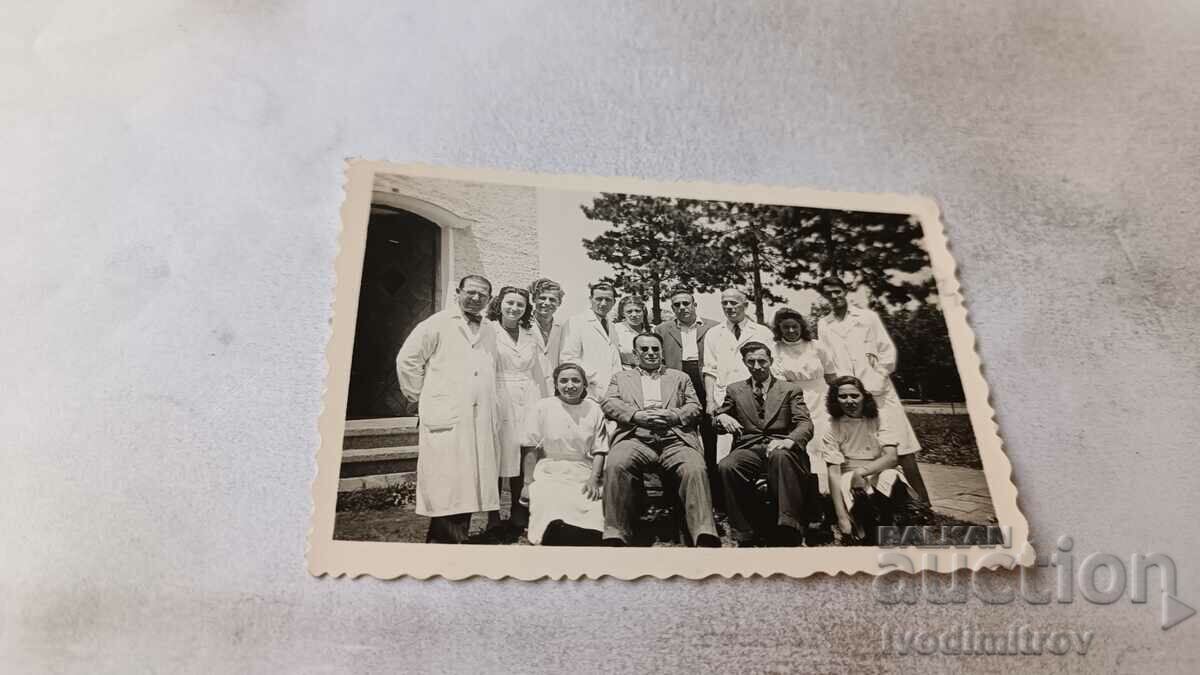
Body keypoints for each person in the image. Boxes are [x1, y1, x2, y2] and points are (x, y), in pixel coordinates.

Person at [395, 274, 500, 544]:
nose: (476, 298)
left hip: (477, 416)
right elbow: (407, 360)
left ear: (489, 299)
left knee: (466, 481)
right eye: (471, 292)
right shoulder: (438, 323)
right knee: (448, 481)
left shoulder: (488, 329)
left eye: (483, 295)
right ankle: (444, 543)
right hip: (447, 414)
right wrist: (420, 396)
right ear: (458, 292)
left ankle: (451, 539)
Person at [815, 277, 930, 503]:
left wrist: (875, 381)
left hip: (879, 393)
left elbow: (886, 353)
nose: (834, 297)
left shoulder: (867, 318)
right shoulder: (824, 324)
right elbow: (828, 360)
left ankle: (923, 503)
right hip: (850, 394)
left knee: (902, 448)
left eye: (837, 291)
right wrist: (840, 387)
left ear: (845, 291)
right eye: (828, 293)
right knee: (858, 448)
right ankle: (867, 497)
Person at [600, 332, 720, 547]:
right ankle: (616, 533)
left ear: (662, 352)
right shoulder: (621, 378)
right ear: (635, 354)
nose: (651, 353)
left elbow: (695, 407)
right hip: (635, 436)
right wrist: (636, 416)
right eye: (645, 350)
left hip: (674, 437)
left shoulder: (679, 377)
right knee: (616, 464)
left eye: (655, 349)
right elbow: (608, 402)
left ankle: (704, 533)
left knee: (694, 468)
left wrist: (674, 416)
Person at [715, 342, 814, 546]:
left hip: (780, 446)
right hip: (749, 448)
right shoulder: (735, 390)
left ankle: (788, 526)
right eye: (751, 362)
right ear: (744, 363)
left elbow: (805, 423)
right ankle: (743, 531)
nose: (757, 366)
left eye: (762, 361)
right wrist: (721, 418)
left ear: (770, 361)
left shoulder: (789, 390)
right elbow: (720, 419)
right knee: (727, 466)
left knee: (780, 456)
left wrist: (789, 441)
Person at [822, 376, 932, 545]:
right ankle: (864, 522)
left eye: (854, 395)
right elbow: (834, 474)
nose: (849, 401)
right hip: (848, 475)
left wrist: (862, 472)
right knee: (866, 533)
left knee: (891, 477)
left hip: (877, 469)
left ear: (864, 396)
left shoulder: (879, 418)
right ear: (835, 399)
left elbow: (891, 457)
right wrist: (841, 517)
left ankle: (900, 519)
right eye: (842, 396)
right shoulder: (831, 426)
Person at [520, 363, 608, 545]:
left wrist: (593, 479)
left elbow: (600, 449)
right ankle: (551, 535)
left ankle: (582, 536)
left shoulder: (593, 409)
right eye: (564, 381)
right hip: (549, 469)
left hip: (583, 469)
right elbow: (530, 447)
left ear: (585, 384)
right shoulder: (543, 407)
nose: (570, 385)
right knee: (551, 498)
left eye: (576, 380)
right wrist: (527, 483)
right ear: (556, 384)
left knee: (589, 504)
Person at [653, 288, 720, 507]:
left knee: (711, 437)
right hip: (678, 384)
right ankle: (678, 492)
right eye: (677, 305)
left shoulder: (713, 327)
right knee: (680, 436)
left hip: (706, 383)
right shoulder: (662, 329)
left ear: (694, 304)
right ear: (672, 308)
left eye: (686, 303)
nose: (682, 308)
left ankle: (713, 491)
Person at [486, 286, 544, 531]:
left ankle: (521, 512)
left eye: (520, 304)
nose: (514, 308)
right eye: (510, 303)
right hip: (498, 393)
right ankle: (493, 517)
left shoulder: (530, 334)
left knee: (525, 453)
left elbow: (538, 370)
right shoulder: (488, 331)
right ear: (499, 304)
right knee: (498, 455)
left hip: (528, 394)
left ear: (526, 308)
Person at [770, 307, 837, 495]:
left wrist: (836, 405)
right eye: (785, 328)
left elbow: (832, 378)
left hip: (822, 400)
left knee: (825, 443)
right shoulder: (775, 350)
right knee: (803, 444)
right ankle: (809, 497)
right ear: (779, 329)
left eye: (794, 326)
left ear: (801, 326)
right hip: (793, 401)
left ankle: (831, 497)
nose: (791, 331)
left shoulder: (817, 347)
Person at [702, 289, 774, 461]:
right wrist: (710, 401)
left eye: (733, 302)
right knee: (726, 453)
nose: (729, 307)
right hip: (725, 399)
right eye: (724, 303)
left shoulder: (763, 333)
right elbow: (709, 369)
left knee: (757, 448)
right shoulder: (713, 333)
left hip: (756, 399)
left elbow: (773, 368)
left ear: (746, 305)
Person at [559, 282, 621, 401]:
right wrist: (593, 377)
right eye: (599, 299)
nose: (603, 303)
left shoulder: (612, 326)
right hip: (588, 389)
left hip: (612, 392)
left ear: (614, 302)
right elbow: (568, 359)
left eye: (608, 299)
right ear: (590, 299)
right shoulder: (575, 322)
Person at [527, 278, 566, 396]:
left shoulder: (563, 328)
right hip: (528, 388)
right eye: (542, 298)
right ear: (534, 299)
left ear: (559, 303)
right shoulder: (522, 325)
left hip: (553, 390)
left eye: (552, 299)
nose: (547, 303)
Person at [612, 295, 652, 370]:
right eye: (629, 311)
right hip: (625, 373)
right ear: (623, 313)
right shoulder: (615, 330)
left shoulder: (652, 330)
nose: (634, 315)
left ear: (643, 311)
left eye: (637, 311)